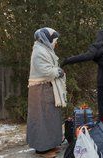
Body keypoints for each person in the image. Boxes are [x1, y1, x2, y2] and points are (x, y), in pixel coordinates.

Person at [61, 29, 103, 134]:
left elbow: (85, 57)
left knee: (102, 108)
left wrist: (67, 60)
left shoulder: (97, 48)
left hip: (102, 81)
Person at [27, 27, 66, 157]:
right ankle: (42, 149)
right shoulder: (39, 51)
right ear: (48, 39)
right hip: (40, 90)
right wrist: (58, 72)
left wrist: (57, 72)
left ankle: (50, 145)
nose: (56, 43)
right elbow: (45, 70)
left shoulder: (44, 49)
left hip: (46, 88)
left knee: (50, 117)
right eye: (54, 40)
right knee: (41, 119)